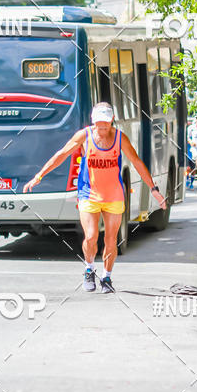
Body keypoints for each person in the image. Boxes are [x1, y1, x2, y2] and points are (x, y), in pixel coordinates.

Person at [23, 102, 166, 293]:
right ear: (93, 120)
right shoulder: (84, 136)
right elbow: (61, 155)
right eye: (99, 122)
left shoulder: (120, 138)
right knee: (91, 236)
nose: (102, 126)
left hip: (114, 195)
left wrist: (153, 189)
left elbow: (137, 162)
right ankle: (89, 269)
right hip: (89, 193)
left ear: (112, 120)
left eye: (106, 121)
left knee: (111, 239)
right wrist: (39, 176)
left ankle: (106, 277)